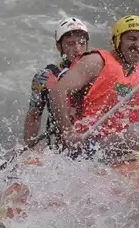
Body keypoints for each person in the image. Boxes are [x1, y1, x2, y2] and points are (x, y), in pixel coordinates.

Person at [48, 14, 139, 158]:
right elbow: (57, 92)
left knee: (136, 136)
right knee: (132, 138)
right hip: (84, 142)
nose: (138, 45)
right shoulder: (96, 61)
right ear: (117, 40)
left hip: (113, 142)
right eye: (132, 38)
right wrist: (68, 132)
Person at [24, 17, 92, 148]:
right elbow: (34, 116)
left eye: (82, 43)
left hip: (93, 141)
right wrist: (29, 147)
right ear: (59, 47)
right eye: (71, 44)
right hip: (60, 148)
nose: (78, 49)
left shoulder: (98, 71)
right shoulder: (45, 76)